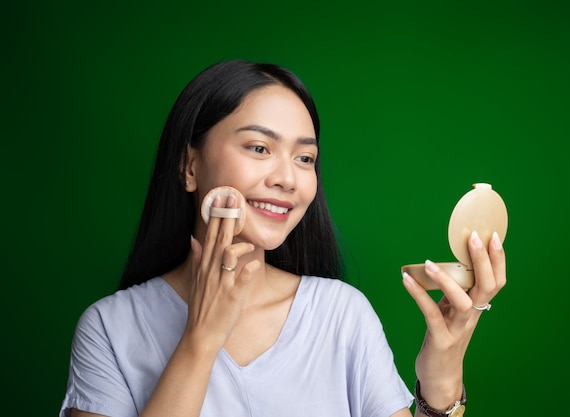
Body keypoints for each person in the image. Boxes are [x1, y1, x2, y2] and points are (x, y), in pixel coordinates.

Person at [60, 59, 506, 417]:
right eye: (259, 148)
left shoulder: (340, 314)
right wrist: (200, 340)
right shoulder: (109, 329)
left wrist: (441, 379)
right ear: (189, 166)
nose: (287, 179)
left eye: (305, 157)